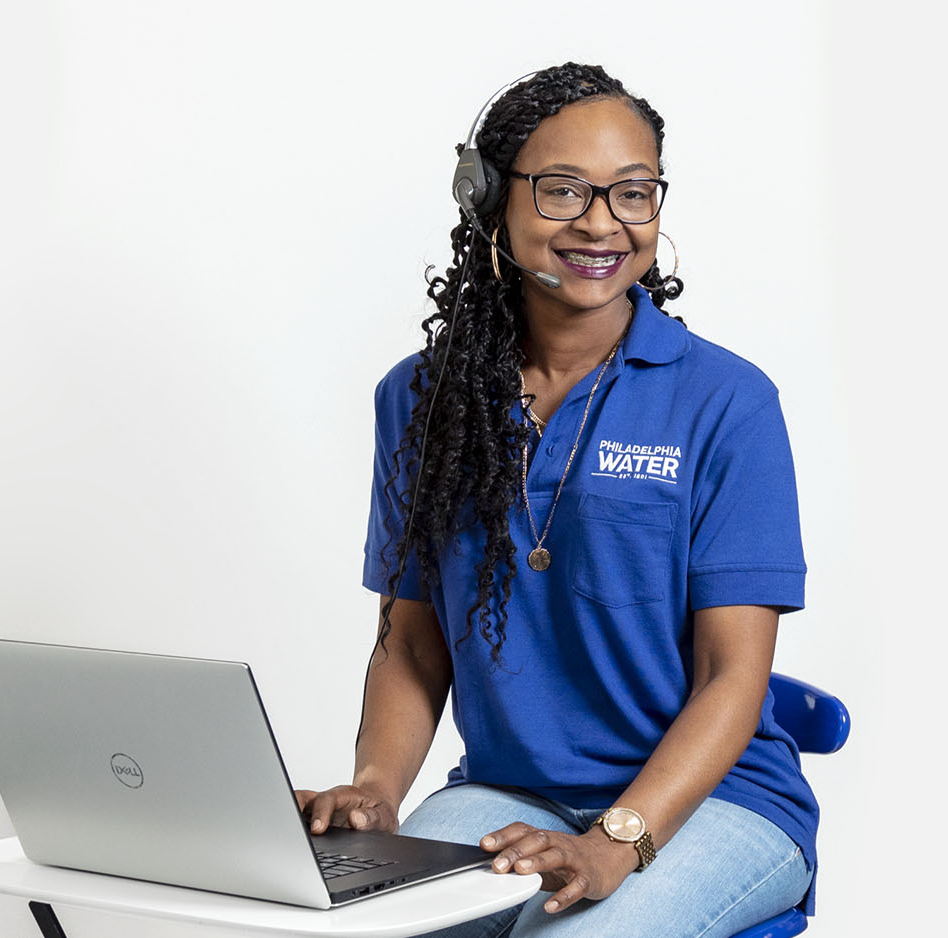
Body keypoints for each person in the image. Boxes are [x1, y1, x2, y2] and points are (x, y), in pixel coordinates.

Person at [296, 63, 818, 938]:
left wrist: (615, 841)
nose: (601, 223)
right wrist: (377, 794)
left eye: (633, 193)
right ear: (490, 200)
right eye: (563, 190)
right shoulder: (422, 400)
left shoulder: (725, 401)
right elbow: (413, 645)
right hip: (507, 792)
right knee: (363, 929)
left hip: (715, 803)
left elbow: (734, 676)